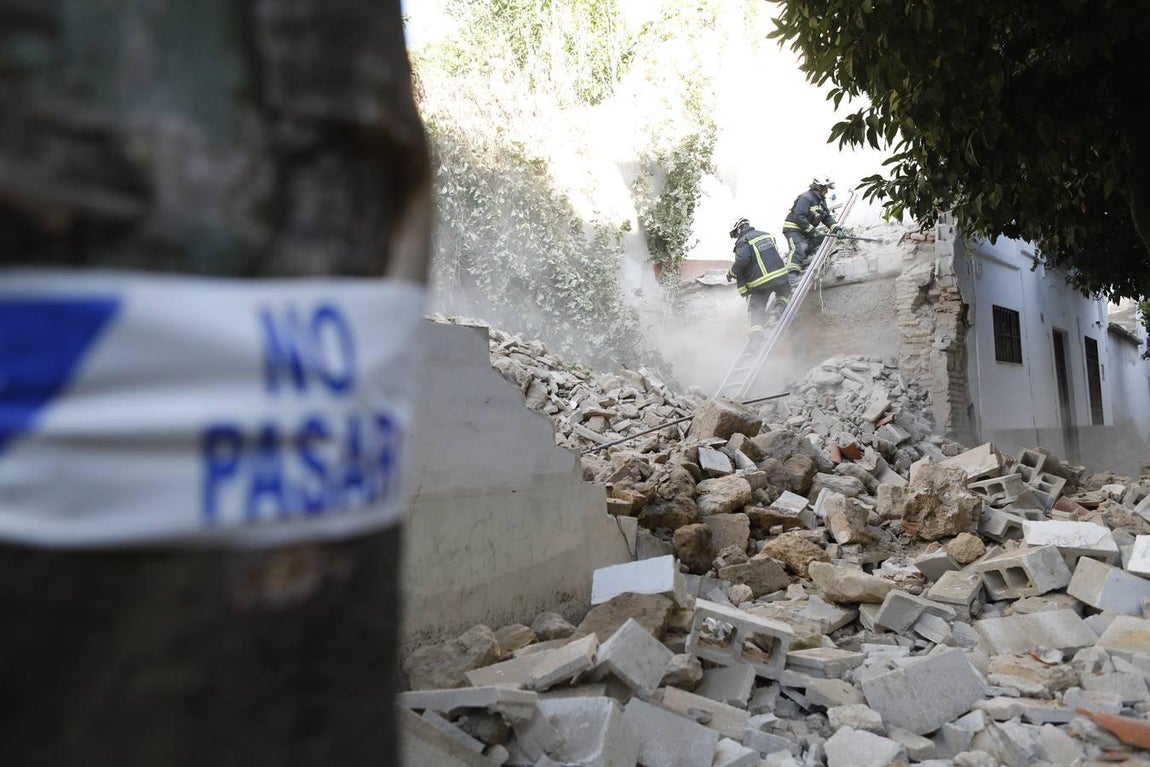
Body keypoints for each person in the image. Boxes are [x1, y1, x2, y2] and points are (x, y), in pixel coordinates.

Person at [725, 217, 799, 345]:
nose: (736, 237)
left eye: (735, 234)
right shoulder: (766, 235)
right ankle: (779, 308)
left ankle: (756, 340)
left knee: (756, 309)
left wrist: (731, 273)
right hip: (781, 276)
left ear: (739, 229)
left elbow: (742, 260)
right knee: (785, 292)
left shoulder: (743, 241)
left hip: (760, 283)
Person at [783, 176, 845, 282]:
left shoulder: (820, 201)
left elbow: (826, 217)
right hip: (794, 229)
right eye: (826, 188)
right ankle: (791, 276)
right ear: (819, 187)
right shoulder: (805, 198)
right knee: (800, 248)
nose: (827, 191)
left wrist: (837, 229)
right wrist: (811, 230)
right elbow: (799, 217)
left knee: (821, 241)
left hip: (806, 230)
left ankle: (809, 257)